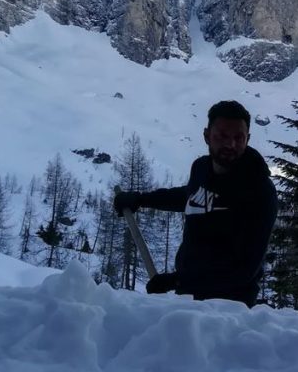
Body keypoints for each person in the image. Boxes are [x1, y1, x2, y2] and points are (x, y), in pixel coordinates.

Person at [113, 100, 277, 308]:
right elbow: (189, 197)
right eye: (222, 136)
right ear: (207, 136)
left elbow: (244, 269)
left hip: (231, 307)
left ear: (248, 139)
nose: (230, 144)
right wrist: (140, 199)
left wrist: (175, 280)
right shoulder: (201, 168)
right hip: (188, 296)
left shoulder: (260, 191)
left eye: (238, 137)